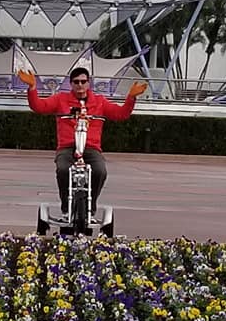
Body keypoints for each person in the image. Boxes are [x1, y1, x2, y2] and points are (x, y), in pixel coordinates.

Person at [18, 66, 147, 222]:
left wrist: (131, 98)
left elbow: (120, 114)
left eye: (83, 82)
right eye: (76, 82)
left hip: (91, 148)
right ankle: (66, 208)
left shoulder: (99, 102)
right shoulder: (60, 99)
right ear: (71, 84)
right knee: (63, 170)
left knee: (100, 171)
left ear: (88, 83)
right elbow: (39, 106)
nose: (80, 85)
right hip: (67, 147)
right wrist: (32, 88)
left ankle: (90, 208)